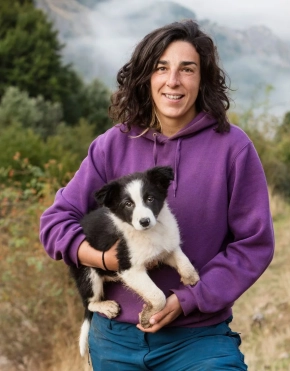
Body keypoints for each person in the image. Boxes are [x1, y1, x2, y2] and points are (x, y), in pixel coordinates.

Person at [39, 20, 275, 370]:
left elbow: (253, 245)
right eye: (161, 68)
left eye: (187, 69)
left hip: (198, 339)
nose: (173, 81)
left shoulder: (234, 148)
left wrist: (189, 298)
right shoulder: (112, 144)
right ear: (146, 77)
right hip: (114, 340)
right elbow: (54, 222)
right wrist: (105, 261)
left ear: (203, 78)